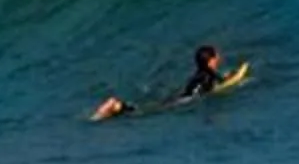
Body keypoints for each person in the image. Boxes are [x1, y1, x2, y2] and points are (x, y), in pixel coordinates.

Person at [92, 44, 227, 121]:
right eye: (217, 55)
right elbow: (225, 84)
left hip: (180, 96)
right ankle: (118, 106)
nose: (220, 57)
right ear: (212, 60)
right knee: (148, 111)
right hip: (184, 100)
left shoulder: (198, 73)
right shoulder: (210, 74)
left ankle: (118, 107)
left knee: (151, 107)